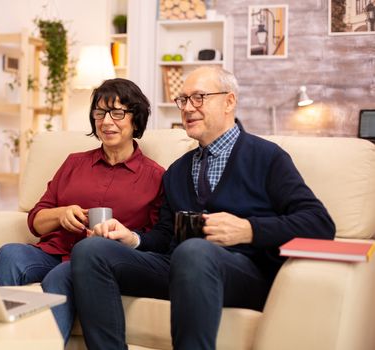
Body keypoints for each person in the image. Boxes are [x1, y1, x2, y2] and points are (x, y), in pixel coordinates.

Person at [70, 66, 336, 350]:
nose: (187, 108)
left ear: (229, 101)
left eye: (198, 97)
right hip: (178, 266)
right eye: (183, 100)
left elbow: (320, 224)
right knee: (90, 250)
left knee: (194, 251)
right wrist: (132, 238)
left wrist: (248, 230)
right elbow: (163, 235)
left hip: (243, 273)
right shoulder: (176, 171)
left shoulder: (267, 157)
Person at [0, 78, 165, 343]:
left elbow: (155, 241)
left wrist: (123, 237)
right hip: (53, 251)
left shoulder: (155, 177)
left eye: (117, 113)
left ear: (136, 119)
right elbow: (36, 220)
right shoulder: (74, 163)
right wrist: (61, 214)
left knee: (61, 277)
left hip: (98, 263)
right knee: (9, 254)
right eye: (99, 113)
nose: (106, 122)